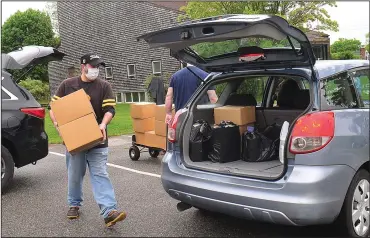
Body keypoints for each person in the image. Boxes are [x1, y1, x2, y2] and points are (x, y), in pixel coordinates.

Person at [49, 53, 126, 228]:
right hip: (75, 140)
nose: (96, 70)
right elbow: (54, 107)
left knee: (100, 174)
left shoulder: (104, 86)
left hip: (97, 138)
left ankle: (109, 212)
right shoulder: (67, 85)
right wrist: (58, 124)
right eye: (93, 66)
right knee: (75, 175)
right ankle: (74, 204)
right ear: (83, 66)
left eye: (98, 67)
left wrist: (103, 124)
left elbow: (110, 109)